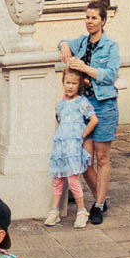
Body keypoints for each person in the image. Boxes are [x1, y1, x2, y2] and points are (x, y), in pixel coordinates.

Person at [58, 0, 121, 225]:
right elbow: (62, 43)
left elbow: (110, 75)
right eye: (87, 17)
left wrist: (85, 68)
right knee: (84, 160)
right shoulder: (83, 42)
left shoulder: (111, 46)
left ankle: (99, 205)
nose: (90, 21)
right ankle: (99, 198)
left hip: (104, 105)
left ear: (103, 21)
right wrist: (64, 45)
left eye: (94, 18)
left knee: (102, 158)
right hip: (83, 107)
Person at [46, 68, 96, 229]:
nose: (70, 86)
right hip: (61, 147)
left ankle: (82, 211)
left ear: (79, 85)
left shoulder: (81, 102)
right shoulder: (61, 105)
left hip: (73, 148)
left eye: (74, 83)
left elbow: (94, 120)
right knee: (58, 179)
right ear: (63, 83)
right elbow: (60, 121)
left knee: (73, 178)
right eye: (67, 82)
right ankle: (54, 211)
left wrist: (82, 135)